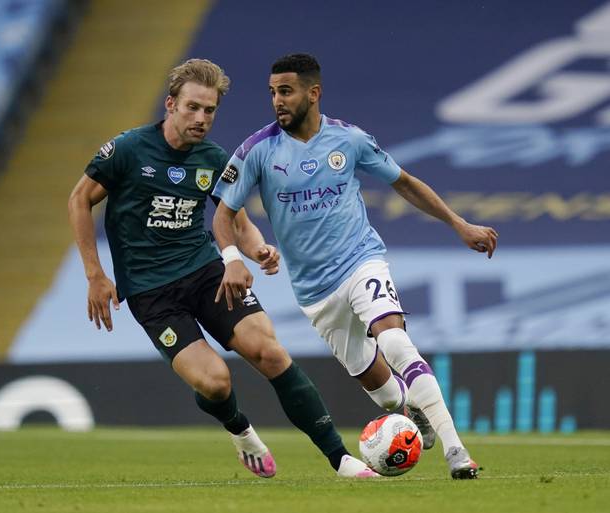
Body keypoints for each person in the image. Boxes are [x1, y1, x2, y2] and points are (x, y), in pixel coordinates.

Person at [67, 58, 377, 479]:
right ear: (171, 104)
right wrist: (95, 274)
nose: (201, 118)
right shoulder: (128, 150)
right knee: (215, 383)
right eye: (192, 107)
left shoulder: (214, 159)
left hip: (205, 273)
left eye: (209, 110)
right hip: (151, 291)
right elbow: (79, 199)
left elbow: (239, 223)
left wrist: (258, 250)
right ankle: (240, 429)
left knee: (269, 351)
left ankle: (340, 459)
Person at [212, 53, 499, 479]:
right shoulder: (256, 150)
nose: (277, 101)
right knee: (386, 397)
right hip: (315, 293)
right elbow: (222, 211)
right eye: (273, 92)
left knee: (397, 344)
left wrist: (459, 224)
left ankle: (458, 454)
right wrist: (235, 257)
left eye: (286, 91)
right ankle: (413, 404)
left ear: (314, 93)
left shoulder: (349, 140)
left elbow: (403, 182)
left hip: (361, 261)